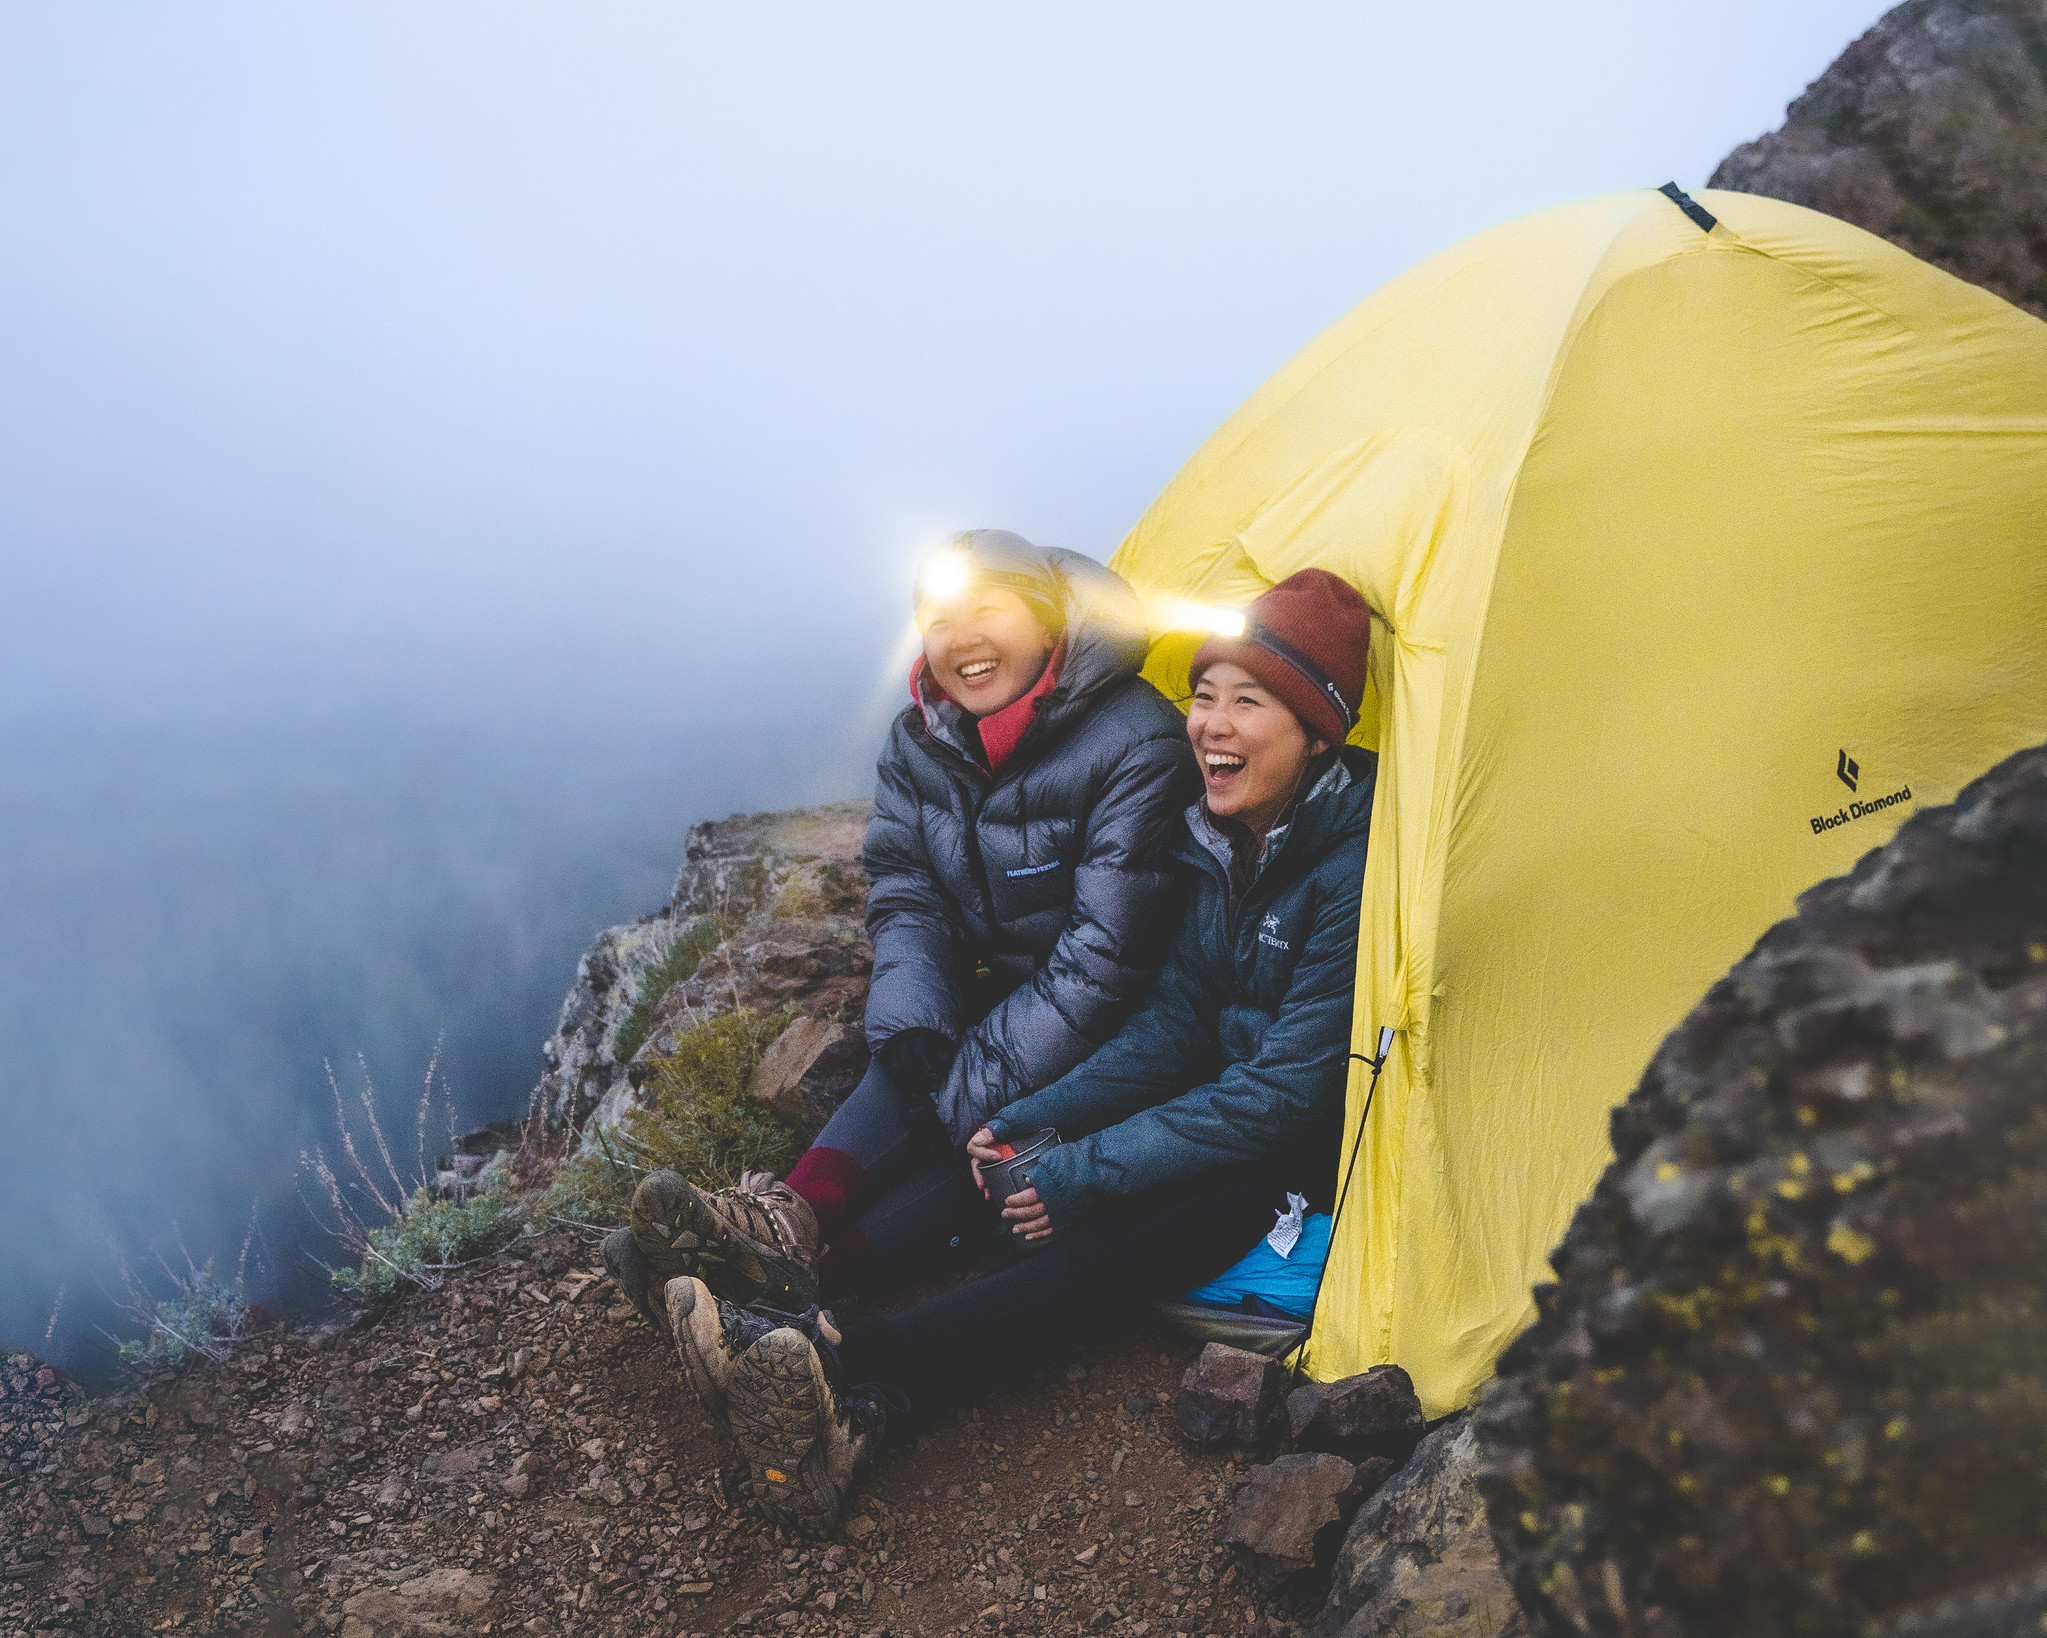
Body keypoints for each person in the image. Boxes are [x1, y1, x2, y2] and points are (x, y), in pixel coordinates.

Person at [681, 569, 1379, 1530]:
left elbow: (1281, 1096)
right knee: (1014, 1162)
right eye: (1203, 696)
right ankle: (824, 1351)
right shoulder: (1220, 842)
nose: (1209, 725)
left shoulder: (1349, 868)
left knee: (1114, 1229)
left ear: (1316, 730)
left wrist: (1084, 1170)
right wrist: (1031, 1121)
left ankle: (844, 1356)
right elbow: (1177, 1019)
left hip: (1302, 1141)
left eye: (1246, 703)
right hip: (1222, 1094)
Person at [603, 530, 1200, 1330]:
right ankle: (781, 1233)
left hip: (1136, 1020)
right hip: (1021, 988)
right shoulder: (920, 738)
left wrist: (966, 1078)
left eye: (990, 610)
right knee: (916, 1049)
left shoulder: (1137, 741)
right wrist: (914, 1013)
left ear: (1052, 622)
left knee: (992, 1132)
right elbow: (906, 888)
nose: (963, 640)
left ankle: (795, 1277)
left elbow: (1109, 957)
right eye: (939, 620)